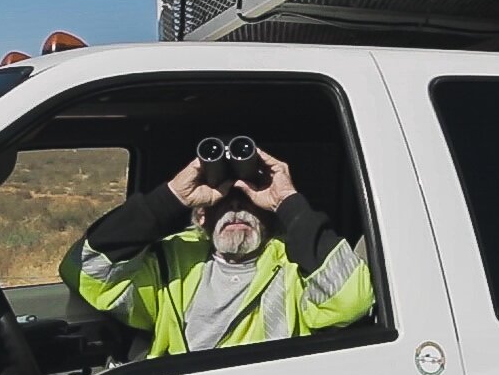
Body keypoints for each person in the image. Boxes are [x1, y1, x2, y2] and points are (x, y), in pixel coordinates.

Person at [59, 146, 372, 357]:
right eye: (221, 201)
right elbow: (87, 269)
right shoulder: (170, 261)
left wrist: (287, 201)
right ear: (202, 216)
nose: (235, 206)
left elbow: (350, 302)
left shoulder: (294, 263)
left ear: (267, 214)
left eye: (248, 198)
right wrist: (167, 199)